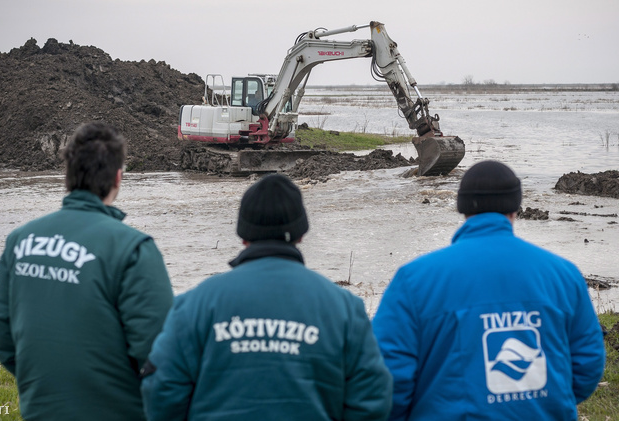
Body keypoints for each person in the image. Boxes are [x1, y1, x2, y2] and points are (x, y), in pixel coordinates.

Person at [141, 173, 392, 421]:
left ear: (242, 235)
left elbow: (162, 390)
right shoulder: (344, 308)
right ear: (301, 233)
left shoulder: (195, 304)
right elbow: (372, 399)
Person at [372, 160, 606, 420]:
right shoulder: (563, 275)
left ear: (462, 207)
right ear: (515, 207)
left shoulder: (414, 280)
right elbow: (588, 362)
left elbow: (386, 378)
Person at [0, 122, 174, 421]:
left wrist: (46, 385)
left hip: (40, 410)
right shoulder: (133, 248)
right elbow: (161, 353)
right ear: (118, 177)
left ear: (68, 175)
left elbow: (1, 336)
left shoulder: (20, 241)